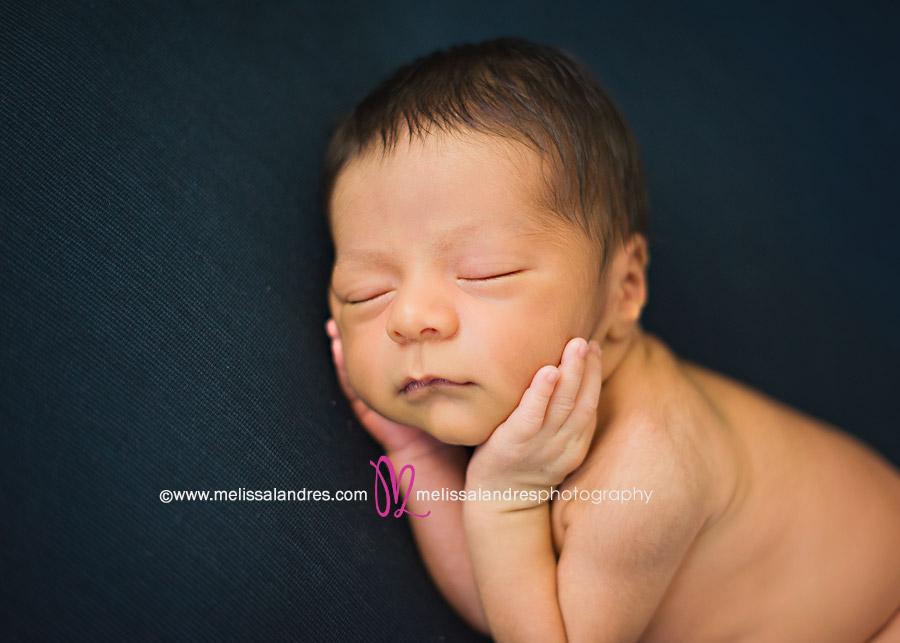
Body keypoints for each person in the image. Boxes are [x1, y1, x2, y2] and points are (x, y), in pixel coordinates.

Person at [321, 38, 900, 642]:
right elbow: (509, 603)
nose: (410, 317)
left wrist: (505, 500)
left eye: (484, 272)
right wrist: (419, 455)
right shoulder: (527, 438)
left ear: (623, 288)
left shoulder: (644, 469)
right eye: (367, 292)